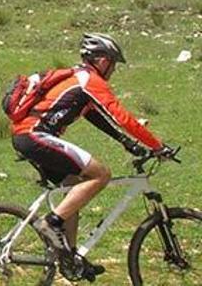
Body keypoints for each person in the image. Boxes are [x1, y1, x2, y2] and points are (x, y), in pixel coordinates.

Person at [11, 33, 172, 275]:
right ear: (102, 60)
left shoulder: (79, 78)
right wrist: (157, 145)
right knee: (100, 174)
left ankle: (69, 258)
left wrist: (127, 143)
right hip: (35, 135)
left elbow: (94, 115)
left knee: (73, 186)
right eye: (113, 63)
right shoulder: (90, 80)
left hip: (28, 136)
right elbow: (122, 117)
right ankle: (51, 223)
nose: (114, 69)